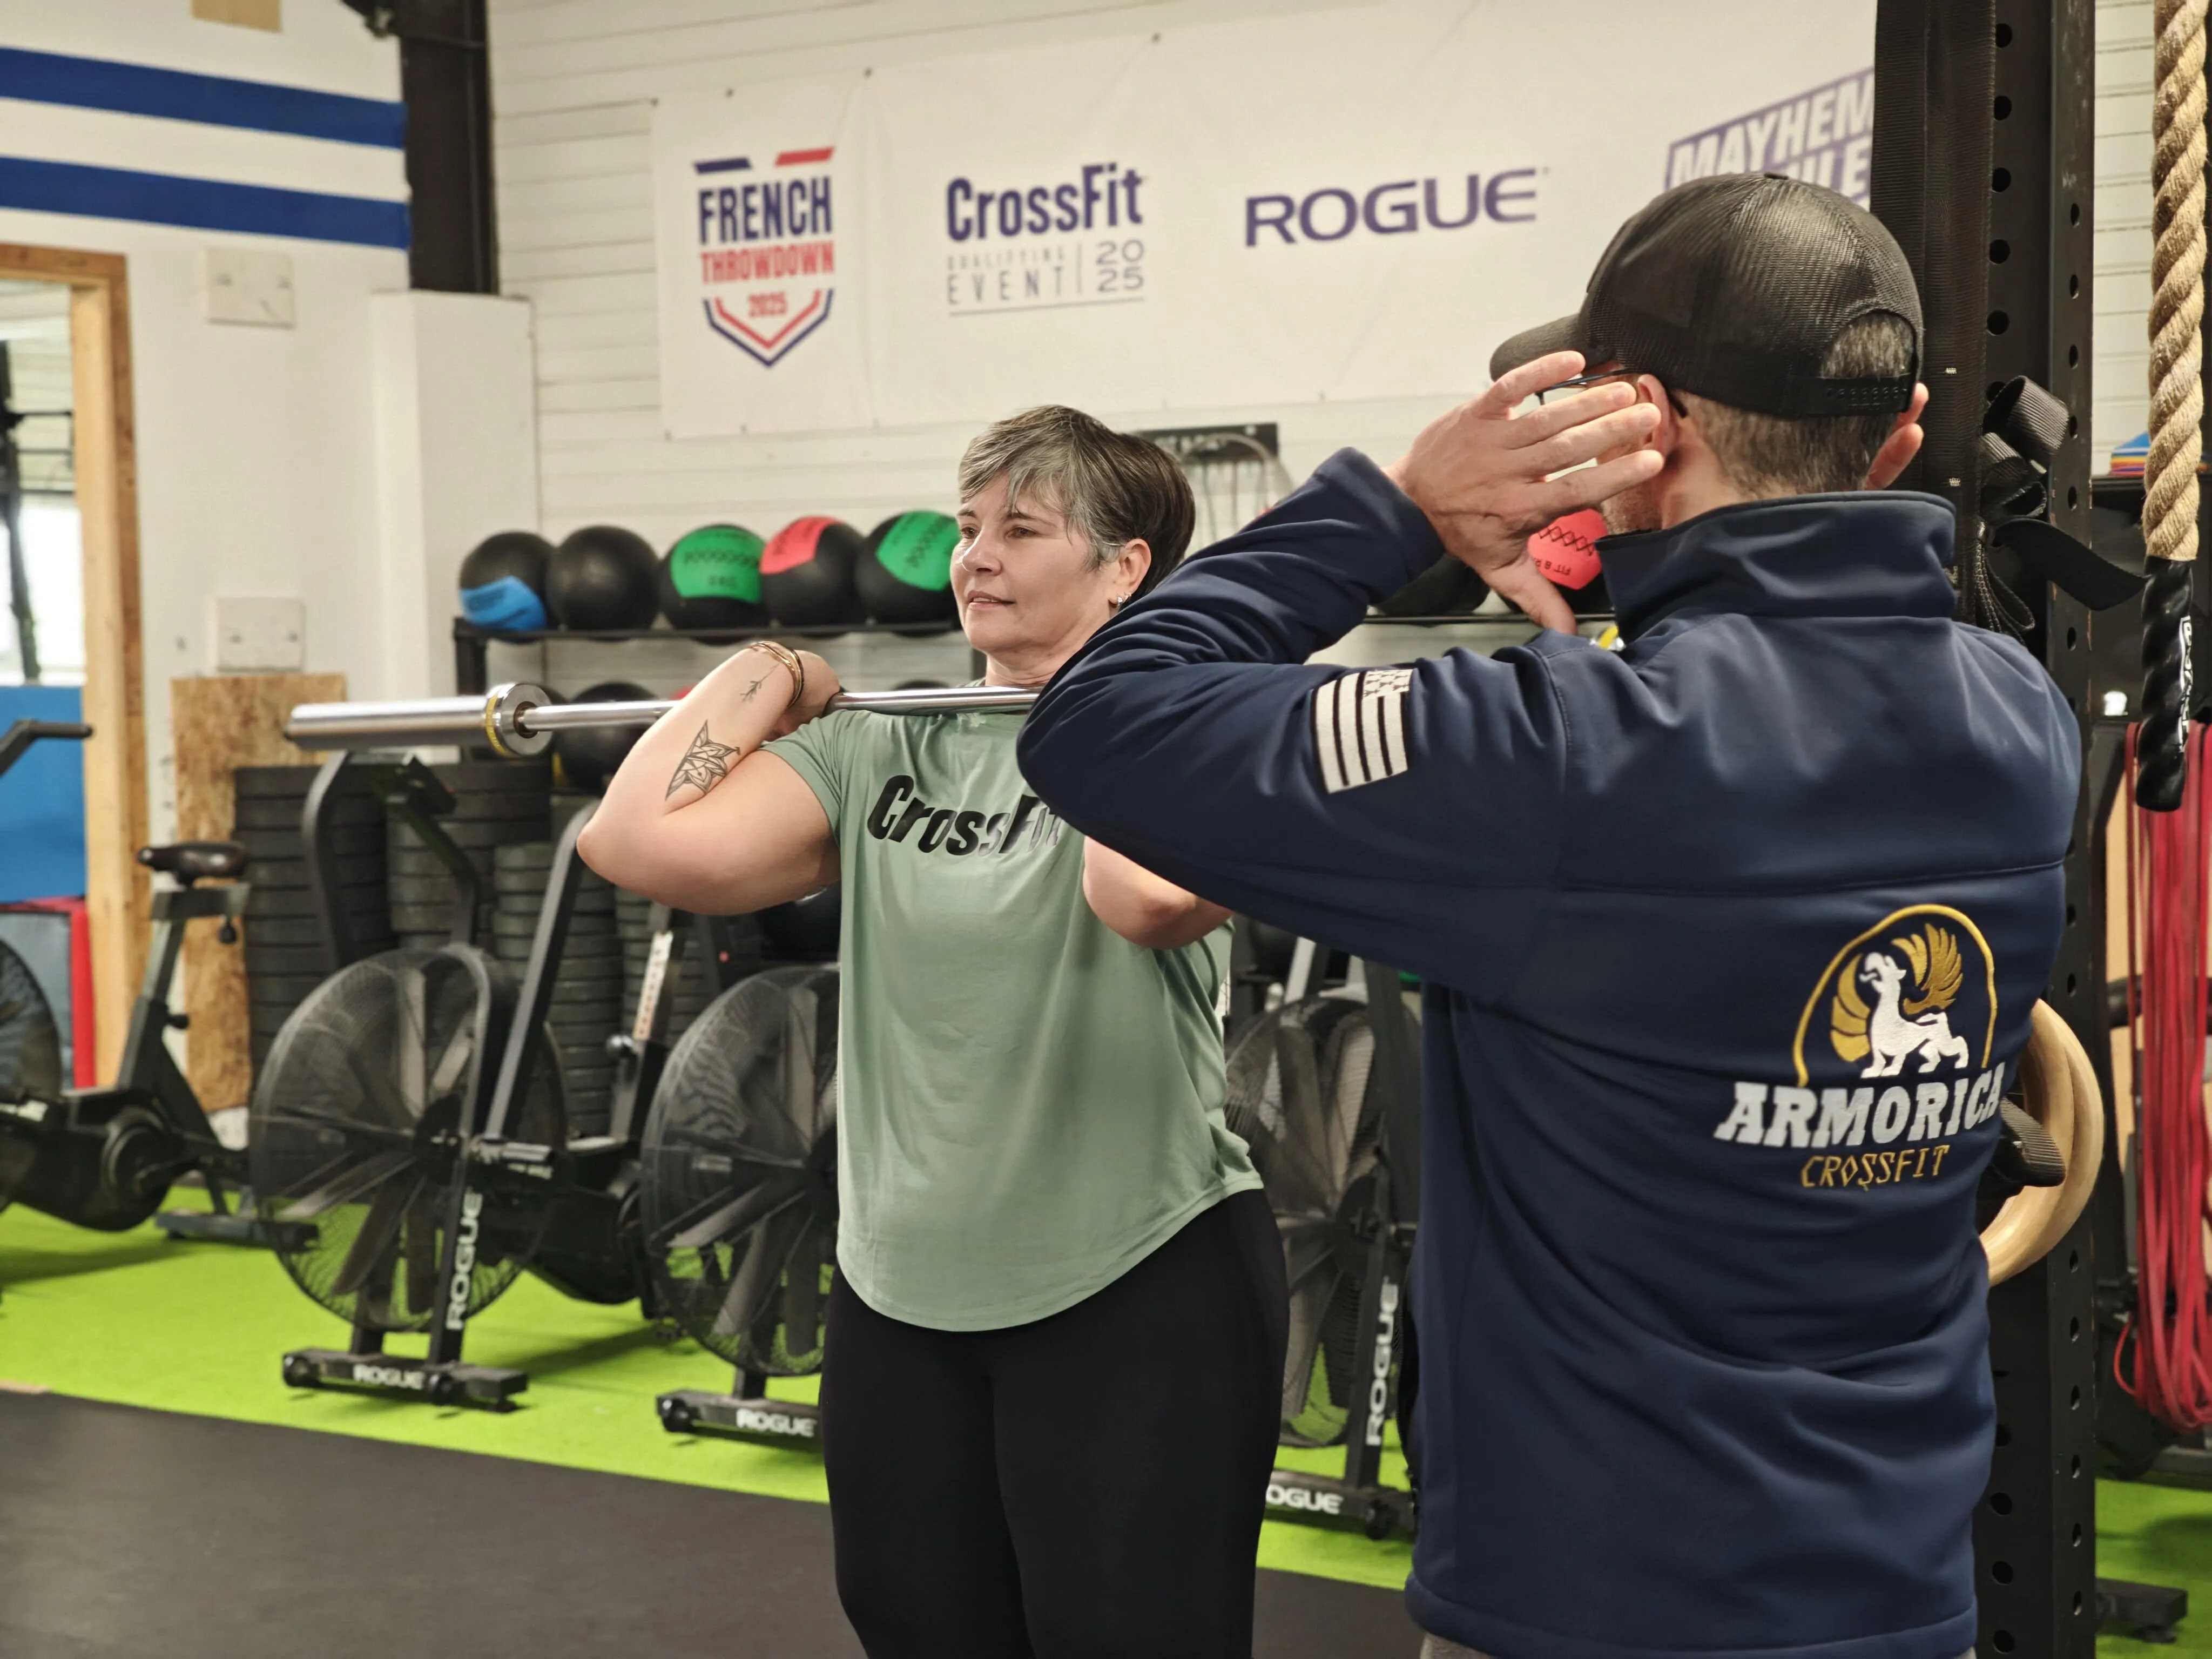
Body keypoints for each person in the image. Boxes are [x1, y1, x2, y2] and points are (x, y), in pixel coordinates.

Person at [1017, 173, 2080, 1659]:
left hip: (1596, 1605)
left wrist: (1398, 512)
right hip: (1898, 1593)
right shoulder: (2021, 717)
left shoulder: (1559, 754)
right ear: (1899, 438)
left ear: (1640, 434)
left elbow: (1096, 719)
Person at [577, 404, 1286, 1659]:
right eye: (967, 529)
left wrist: (1132, 688)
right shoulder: (886, 745)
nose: (975, 557)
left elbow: (1145, 899)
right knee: (917, 1627)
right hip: (900, 1291)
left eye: (1020, 528)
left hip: (1133, 1279)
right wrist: (775, 673)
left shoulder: (1196, 730)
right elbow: (633, 842)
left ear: (1124, 569)